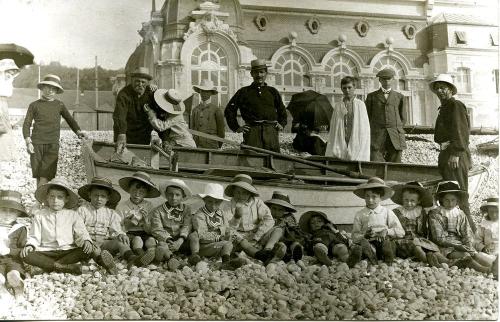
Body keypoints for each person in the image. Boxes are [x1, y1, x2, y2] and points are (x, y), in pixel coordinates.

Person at [21, 178, 114, 275]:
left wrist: (86, 240)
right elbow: (34, 236)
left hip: (67, 251)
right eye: (52, 197)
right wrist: (30, 245)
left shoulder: (73, 215)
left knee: (88, 249)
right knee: (26, 255)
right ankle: (64, 267)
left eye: (60, 197)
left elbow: (81, 232)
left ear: (66, 199)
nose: (55, 200)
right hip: (47, 251)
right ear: (47, 198)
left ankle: (49, 267)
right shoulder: (40, 215)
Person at [22, 74, 86, 187]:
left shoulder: (59, 105)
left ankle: (41, 200)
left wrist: (78, 132)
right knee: (38, 174)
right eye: (47, 87)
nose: (50, 91)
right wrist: (28, 142)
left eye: (53, 88)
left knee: (45, 174)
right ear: (42, 88)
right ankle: (41, 200)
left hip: (52, 144)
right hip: (36, 144)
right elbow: (26, 124)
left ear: (56, 90)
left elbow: (70, 119)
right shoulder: (34, 105)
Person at [429, 74, 474, 232]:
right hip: (447, 155)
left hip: (455, 157)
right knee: (451, 194)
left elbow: (461, 132)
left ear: (450, 90)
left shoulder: (455, 106)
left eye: (443, 88)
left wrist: (455, 153)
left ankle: (472, 235)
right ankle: (458, 232)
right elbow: (440, 135)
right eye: (437, 88)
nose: (440, 91)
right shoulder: (445, 108)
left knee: (460, 196)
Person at [77, 177, 153, 269]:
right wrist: (86, 240)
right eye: (95, 195)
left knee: (121, 241)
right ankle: (106, 264)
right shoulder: (82, 210)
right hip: (88, 243)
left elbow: (116, 228)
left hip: (104, 242)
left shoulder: (110, 213)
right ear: (89, 195)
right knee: (95, 251)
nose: (99, 199)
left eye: (103, 196)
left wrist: (120, 234)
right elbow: (78, 228)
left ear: (108, 198)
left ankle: (132, 258)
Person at [427, 181, 491, 273]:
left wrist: (468, 245)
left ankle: (493, 267)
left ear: (457, 200)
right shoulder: (435, 214)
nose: (450, 203)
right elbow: (438, 238)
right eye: (447, 200)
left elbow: (467, 233)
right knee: (465, 255)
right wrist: (458, 246)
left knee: (475, 254)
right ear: (441, 200)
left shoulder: (460, 214)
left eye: (453, 200)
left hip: (461, 244)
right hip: (444, 247)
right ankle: (485, 270)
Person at [224, 59, 287, 152]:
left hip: (271, 132)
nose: (259, 75)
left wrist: (282, 123)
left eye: (261, 72)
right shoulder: (244, 92)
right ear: (251, 74)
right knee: (251, 158)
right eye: (256, 72)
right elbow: (229, 110)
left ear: (266, 73)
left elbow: (282, 110)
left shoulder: (272, 91)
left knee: (272, 158)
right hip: (252, 132)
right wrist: (236, 127)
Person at [348, 177, 405, 267]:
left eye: (374, 197)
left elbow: (401, 232)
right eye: (367, 196)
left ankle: (388, 258)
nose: (370, 200)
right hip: (369, 242)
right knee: (363, 244)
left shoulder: (387, 212)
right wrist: (364, 235)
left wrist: (386, 231)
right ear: (364, 196)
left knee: (387, 244)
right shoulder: (360, 214)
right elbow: (354, 236)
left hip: (384, 241)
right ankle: (370, 256)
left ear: (380, 198)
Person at [390, 181, 449, 266]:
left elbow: (427, 227)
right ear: (402, 199)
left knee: (431, 248)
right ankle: (427, 260)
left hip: (420, 239)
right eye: (406, 200)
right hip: (403, 242)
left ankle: (447, 262)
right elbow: (393, 229)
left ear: (418, 201)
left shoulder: (422, 211)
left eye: (412, 200)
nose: (409, 203)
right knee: (417, 247)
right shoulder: (396, 212)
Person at [189, 183, 246, 270]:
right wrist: (220, 237)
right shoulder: (200, 215)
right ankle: (197, 258)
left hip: (218, 244)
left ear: (221, 202)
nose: (213, 205)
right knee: (226, 244)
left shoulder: (221, 213)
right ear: (204, 200)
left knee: (234, 241)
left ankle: (227, 261)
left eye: (217, 202)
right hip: (204, 246)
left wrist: (229, 234)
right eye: (210, 202)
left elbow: (227, 228)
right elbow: (201, 235)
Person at [224, 174, 275, 259]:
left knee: (277, 230)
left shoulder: (258, 203)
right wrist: (237, 217)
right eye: (238, 192)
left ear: (250, 193)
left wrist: (256, 237)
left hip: (255, 234)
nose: (241, 196)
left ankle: (267, 250)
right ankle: (258, 255)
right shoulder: (228, 205)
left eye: (245, 193)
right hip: (238, 235)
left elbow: (269, 220)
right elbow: (228, 226)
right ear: (233, 192)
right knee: (230, 235)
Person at [112, 67, 160, 150]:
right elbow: (120, 115)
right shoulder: (124, 94)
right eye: (137, 81)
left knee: (140, 159)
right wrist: (121, 134)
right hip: (125, 134)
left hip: (143, 135)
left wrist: (165, 139)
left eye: (143, 82)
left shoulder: (151, 94)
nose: (140, 84)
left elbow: (159, 115)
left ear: (147, 83)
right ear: (132, 81)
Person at [365, 68, 406, 163]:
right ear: (379, 80)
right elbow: (367, 117)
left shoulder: (399, 97)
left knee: (395, 163)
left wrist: (396, 128)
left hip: (395, 135)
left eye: (389, 78)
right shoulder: (372, 96)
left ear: (393, 79)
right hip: (377, 136)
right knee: (375, 161)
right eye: (384, 79)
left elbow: (403, 118)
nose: (386, 81)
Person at [116, 171, 160, 259]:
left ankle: (153, 257)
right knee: (137, 240)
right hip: (130, 234)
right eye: (134, 190)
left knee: (151, 241)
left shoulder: (149, 206)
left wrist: (146, 220)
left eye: (141, 192)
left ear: (146, 193)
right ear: (129, 189)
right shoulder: (122, 206)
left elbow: (150, 230)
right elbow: (117, 226)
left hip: (145, 233)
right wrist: (127, 224)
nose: (137, 194)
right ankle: (140, 256)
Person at [149, 179, 193, 265]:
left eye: (177, 195)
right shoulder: (158, 210)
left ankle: (167, 257)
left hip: (182, 241)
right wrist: (170, 240)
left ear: (182, 196)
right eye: (170, 194)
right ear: (165, 194)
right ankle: (171, 259)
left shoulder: (187, 209)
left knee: (194, 241)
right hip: (167, 240)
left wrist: (180, 241)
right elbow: (157, 229)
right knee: (161, 244)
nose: (173, 198)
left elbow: (187, 225)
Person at [325, 76, 370, 161]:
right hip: (342, 138)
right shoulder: (338, 105)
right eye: (344, 88)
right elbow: (335, 127)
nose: (347, 90)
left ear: (354, 87)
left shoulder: (360, 105)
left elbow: (365, 128)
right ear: (341, 89)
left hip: (355, 137)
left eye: (349, 87)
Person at [256, 191, 307, 264]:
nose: (276, 212)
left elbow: (294, 231)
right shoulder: (266, 217)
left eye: (280, 210)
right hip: (268, 239)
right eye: (274, 208)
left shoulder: (287, 219)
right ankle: (269, 252)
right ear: (269, 208)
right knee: (278, 234)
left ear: (284, 211)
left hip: (285, 240)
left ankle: (293, 252)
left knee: (293, 241)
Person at [0, 190, 30, 299]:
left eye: (12, 211)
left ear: (18, 214)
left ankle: (17, 286)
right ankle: (2, 288)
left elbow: (23, 249)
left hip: (13, 259)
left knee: (13, 272)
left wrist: (9, 251)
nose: (7, 214)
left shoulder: (20, 228)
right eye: (3, 210)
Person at [190, 80, 225, 149]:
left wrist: (218, 145)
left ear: (211, 93)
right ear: (199, 92)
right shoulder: (195, 110)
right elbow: (192, 129)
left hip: (212, 146)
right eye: (202, 91)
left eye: (207, 91)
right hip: (197, 145)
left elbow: (221, 132)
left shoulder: (216, 110)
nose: (204, 93)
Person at [0, 59, 21, 162]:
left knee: (5, 128)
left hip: (4, 103)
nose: (11, 74)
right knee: (3, 128)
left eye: (13, 72)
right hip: (0, 103)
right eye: (9, 71)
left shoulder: (7, 80)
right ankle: (5, 155)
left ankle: (7, 154)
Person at [475, 197, 498, 278]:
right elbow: (477, 241)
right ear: (487, 211)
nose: (494, 214)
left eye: (497, 212)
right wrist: (484, 248)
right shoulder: (483, 224)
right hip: (489, 255)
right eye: (491, 212)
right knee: (478, 256)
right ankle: (494, 268)